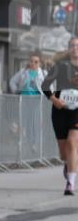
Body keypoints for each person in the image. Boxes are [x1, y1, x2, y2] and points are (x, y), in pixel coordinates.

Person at [41, 36, 78, 196]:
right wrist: (54, 99)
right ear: (68, 49)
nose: (75, 48)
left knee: (72, 143)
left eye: (77, 45)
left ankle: (70, 183)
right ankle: (68, 163)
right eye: (72, 45)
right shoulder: (60, 66)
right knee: (64, 152)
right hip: (60, 110)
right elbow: (45, 85)